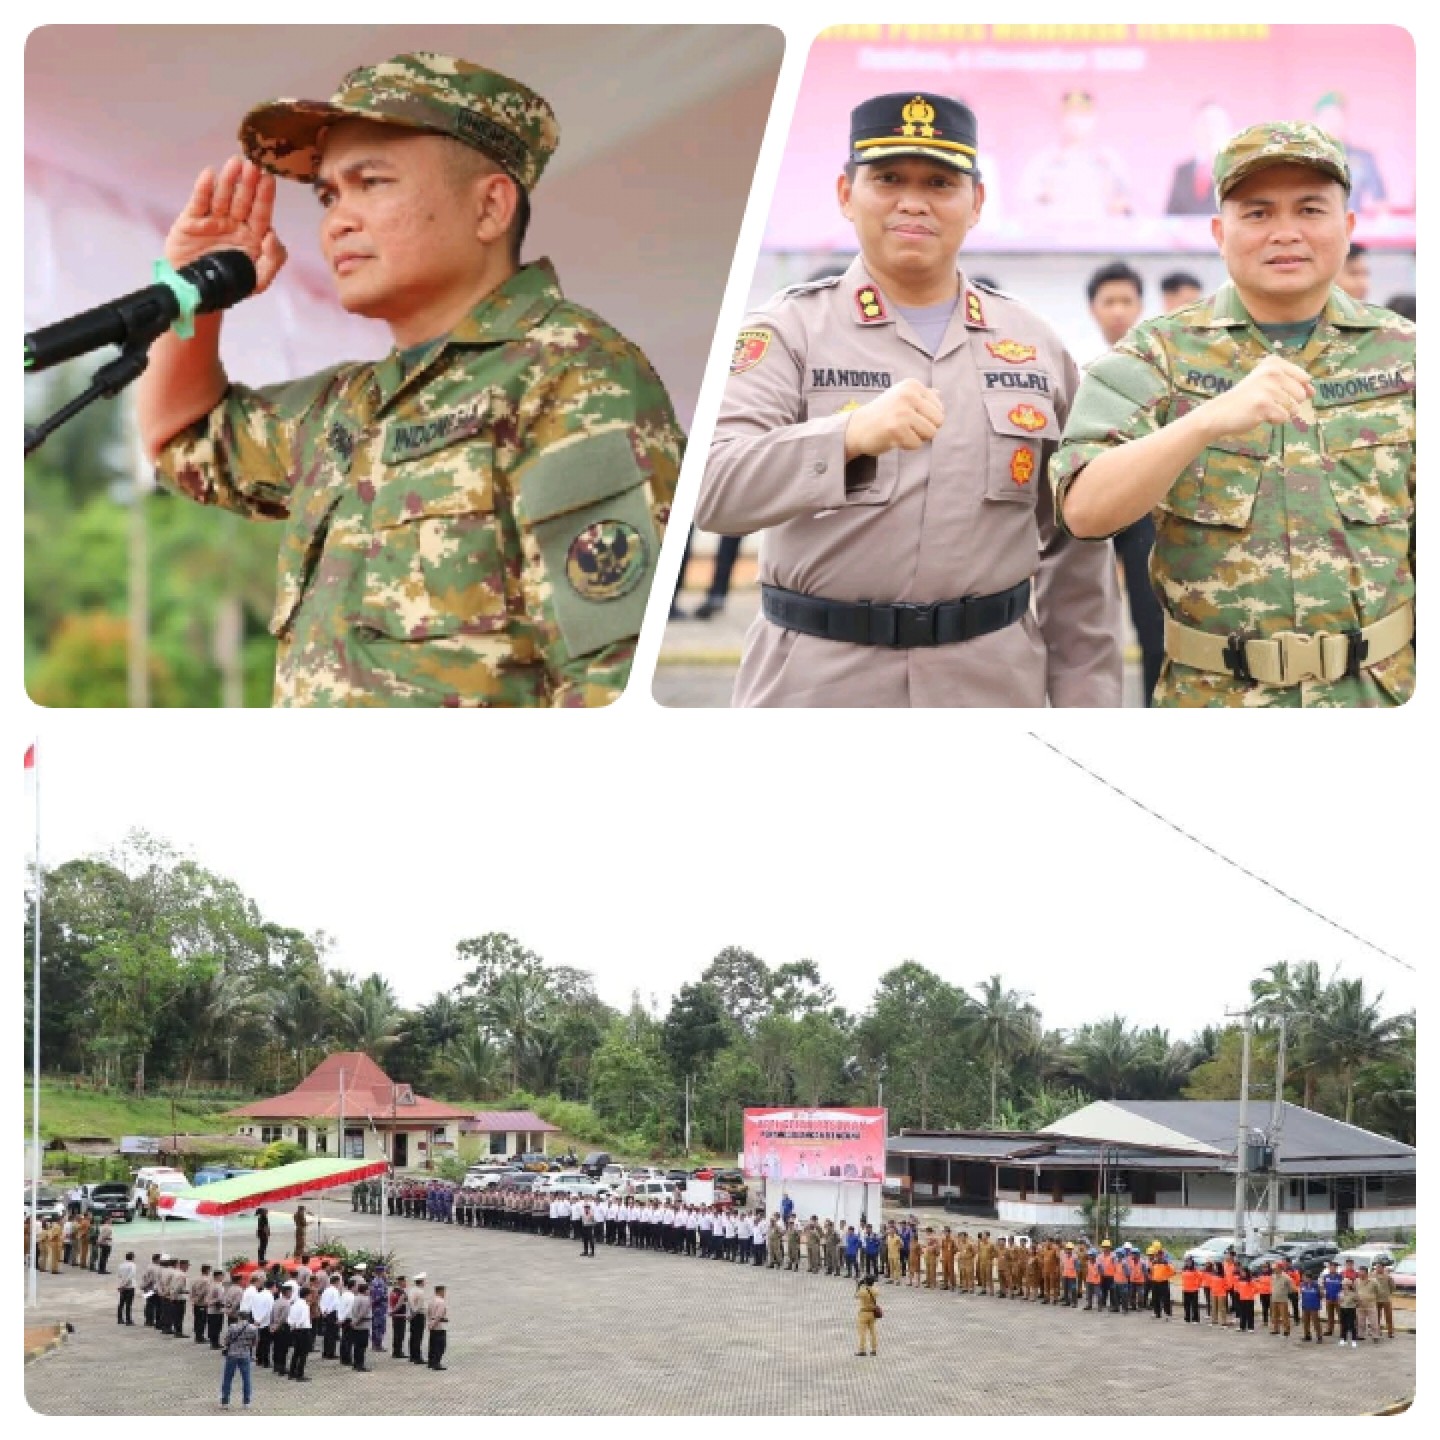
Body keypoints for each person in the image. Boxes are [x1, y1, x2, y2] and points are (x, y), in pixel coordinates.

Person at [134, 52, 680, 709]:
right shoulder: (346, 406)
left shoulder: (571, 376)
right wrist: (192, 293)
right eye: (329, 195)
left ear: (489, 207)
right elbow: (181, 436)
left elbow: (610, 682)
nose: (337, 220)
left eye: (371, 182)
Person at [700, 91, 1120, 707]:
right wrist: (847, 438)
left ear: (976, 202)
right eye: (889, 178)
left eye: (940, 183)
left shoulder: (1034, 345)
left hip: (991, 686)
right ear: (846, 193)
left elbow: (1075, 545)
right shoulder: (788, 332)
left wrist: (1086, 704)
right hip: (817, 686)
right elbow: (713, 488)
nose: (913, 201)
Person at [1054, 122, 1415, 706]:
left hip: (1381, 698)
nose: (1286, 232)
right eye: (1258, 213)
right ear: (1221, 233)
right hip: (1214, 703)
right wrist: (1203, 422)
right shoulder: (1156, 356)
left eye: (1310, 209)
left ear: (1348, 227)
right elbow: (1083, 511)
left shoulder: (1408, 357)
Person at [220, 1307, 259, 1408]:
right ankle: (246, 1402)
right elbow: (255, 1342)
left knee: (228, 1378)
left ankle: (225, 1401)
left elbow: (227, 1340)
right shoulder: (253, 1328)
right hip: (245, 1354)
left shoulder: (232, 1327)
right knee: (246, 1379)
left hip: (232, 1354)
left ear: (239, 1317)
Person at [349, 1276, 373, 1370]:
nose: (369, 1291)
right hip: (362, 1325)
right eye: (368, 1290)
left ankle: (356, 1364)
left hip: (356, 1324)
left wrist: (354, 1322)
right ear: (365, 1290)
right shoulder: (365, 1299)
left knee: (357, 1345)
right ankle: (360, 1365)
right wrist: (356, 1322)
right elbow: (362, 1313)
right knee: (362, 1346)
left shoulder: (356, 1297)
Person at [855, 1273, 880, 1356]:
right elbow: (876, 1292)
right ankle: (874, 1349)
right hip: (872, 1313)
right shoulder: (875, 1291)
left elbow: (856, 1296)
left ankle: (862, 1350)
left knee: (862, 1333)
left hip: (863, 1313)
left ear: (865, 1281)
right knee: (873, 1332)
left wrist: (858, 1285)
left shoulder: (863, 1291)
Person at [426, 1284, 449, 1370]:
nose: (444, 1293)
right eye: (444, 1291)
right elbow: (439, 1316)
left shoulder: (431, 1301)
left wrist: (429, 1324)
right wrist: (433, 1324)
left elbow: (428, 1313)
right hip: (439, 1326)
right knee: (440, 1346)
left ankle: (431, 1362)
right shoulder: (441, 1302)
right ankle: (436, 1363)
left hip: (432, 1324)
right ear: (440, 1291)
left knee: (432, 1345)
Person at [407, 1273, 428, 1363]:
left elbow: (410, 1304)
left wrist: (410, 1315)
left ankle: (412, 1355)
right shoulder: (420, 1292)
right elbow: (418, 1306)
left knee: (413, 1336)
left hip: (413, 1314)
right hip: (418, 1315)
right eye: (424, 1281)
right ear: (421, 1282)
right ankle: (417, 1357)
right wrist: (413, 1315)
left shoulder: (412, 1290)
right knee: (418, 1337)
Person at [115, 1250, 137, 1325]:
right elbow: (131, 1276)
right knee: (128, 1304)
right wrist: (124, 1284)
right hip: (129, 1286)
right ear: (132, 1258)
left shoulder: (121, 1265)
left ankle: (120, 1319)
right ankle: (128, 1320)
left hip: (122, 1286)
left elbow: (119, 1276)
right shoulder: (132, 1265)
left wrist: (121, 1285)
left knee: (121, 1303)